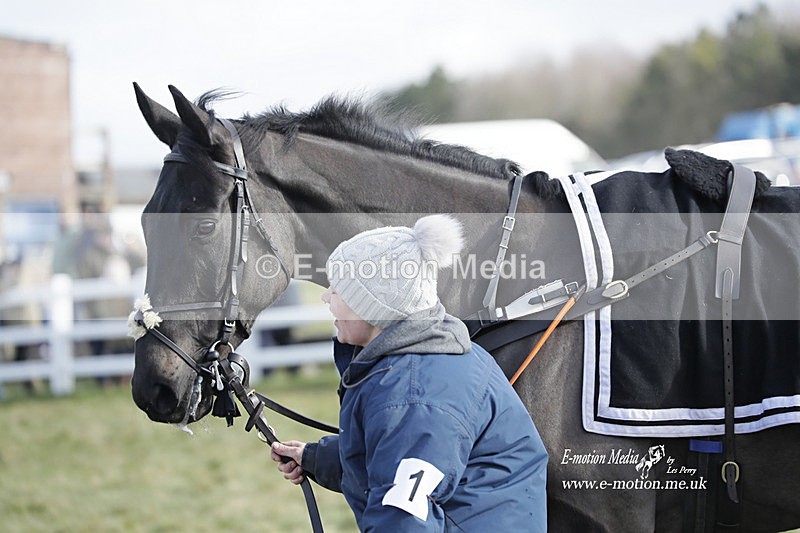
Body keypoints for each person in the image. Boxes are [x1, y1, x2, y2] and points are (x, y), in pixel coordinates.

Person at [270, 214, 548, 531]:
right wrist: (315, 458)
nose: (326, 296)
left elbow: (403, 518)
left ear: (373, 305)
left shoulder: (415, 396)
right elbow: (397, 456)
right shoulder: (415, 364)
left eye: (339, 289)